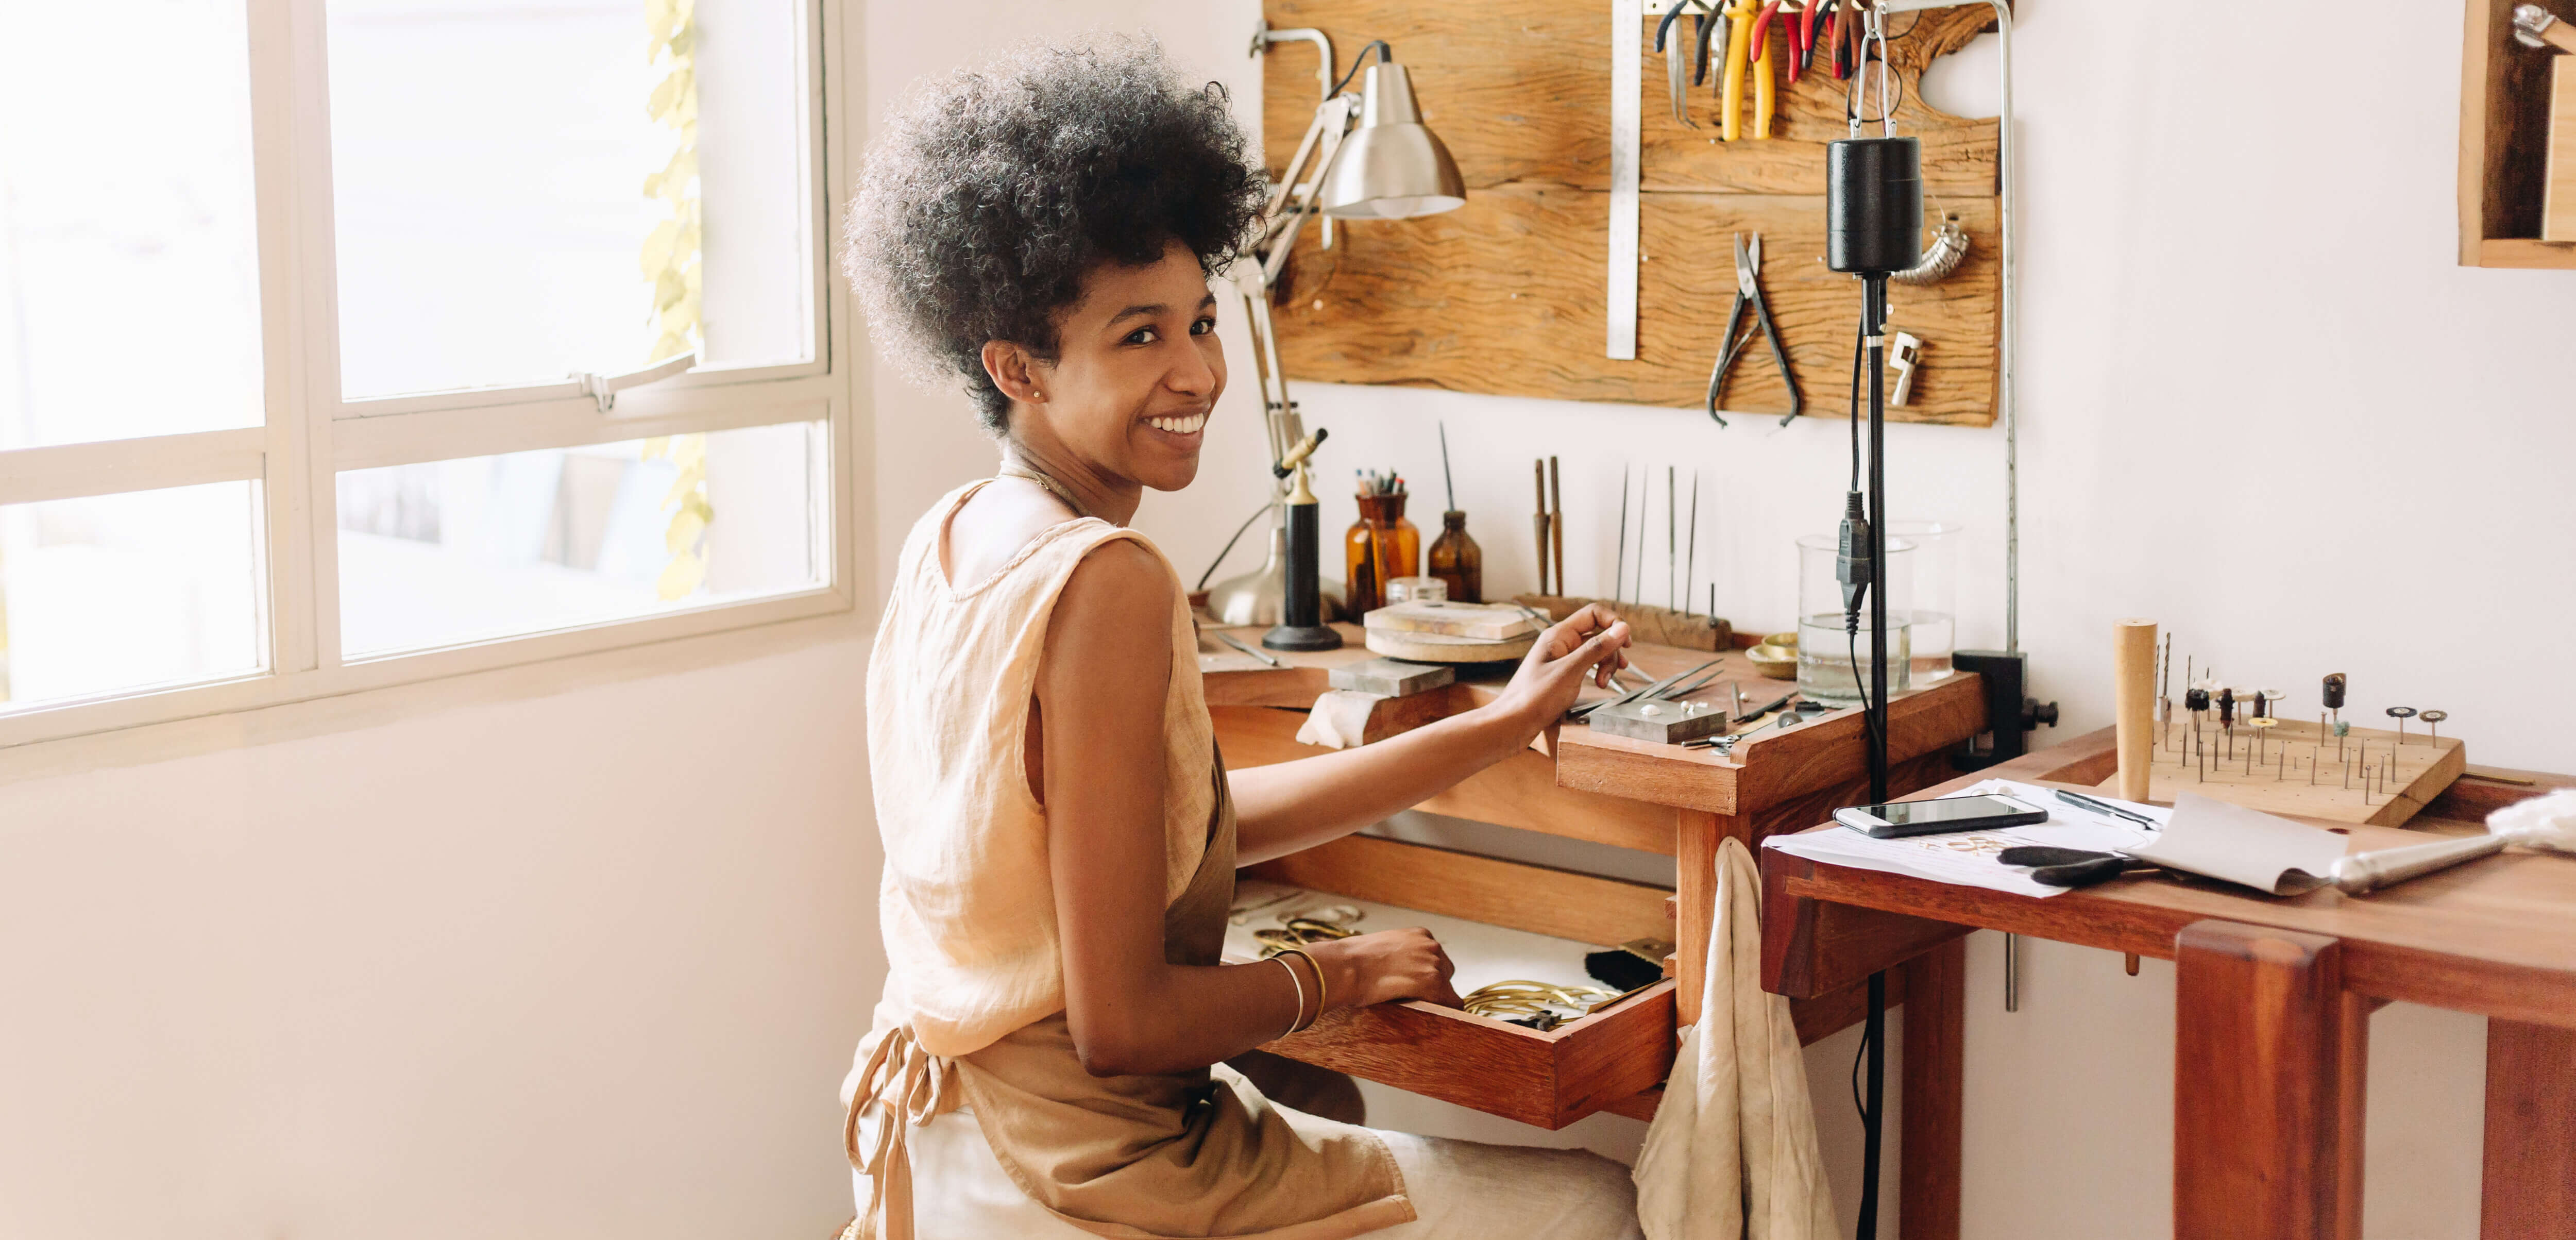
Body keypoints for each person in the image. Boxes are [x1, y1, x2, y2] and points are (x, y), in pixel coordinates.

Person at [840, 36, 1641, 1240]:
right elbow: (1122, 1023)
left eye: (1199, 321)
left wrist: (1504, 720)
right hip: (1082, 1164)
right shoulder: (1103, 582)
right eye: (1137, 336)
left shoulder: (954, 536)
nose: (1199, 372)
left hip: (941, 1127)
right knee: (1588, 1201)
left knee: (1314, 1085)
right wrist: (1345, 973)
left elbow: (1192, 835)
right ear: (1019, 367)